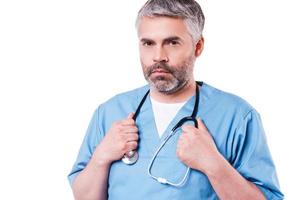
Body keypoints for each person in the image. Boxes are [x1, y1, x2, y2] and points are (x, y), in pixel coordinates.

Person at [68, 0, 284, 199]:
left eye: (172, 42)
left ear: (198, 47)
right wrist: (101, 157)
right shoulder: (110, 112)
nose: (158, 56)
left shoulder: (236, 116)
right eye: (148, 43)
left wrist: (214, 165)